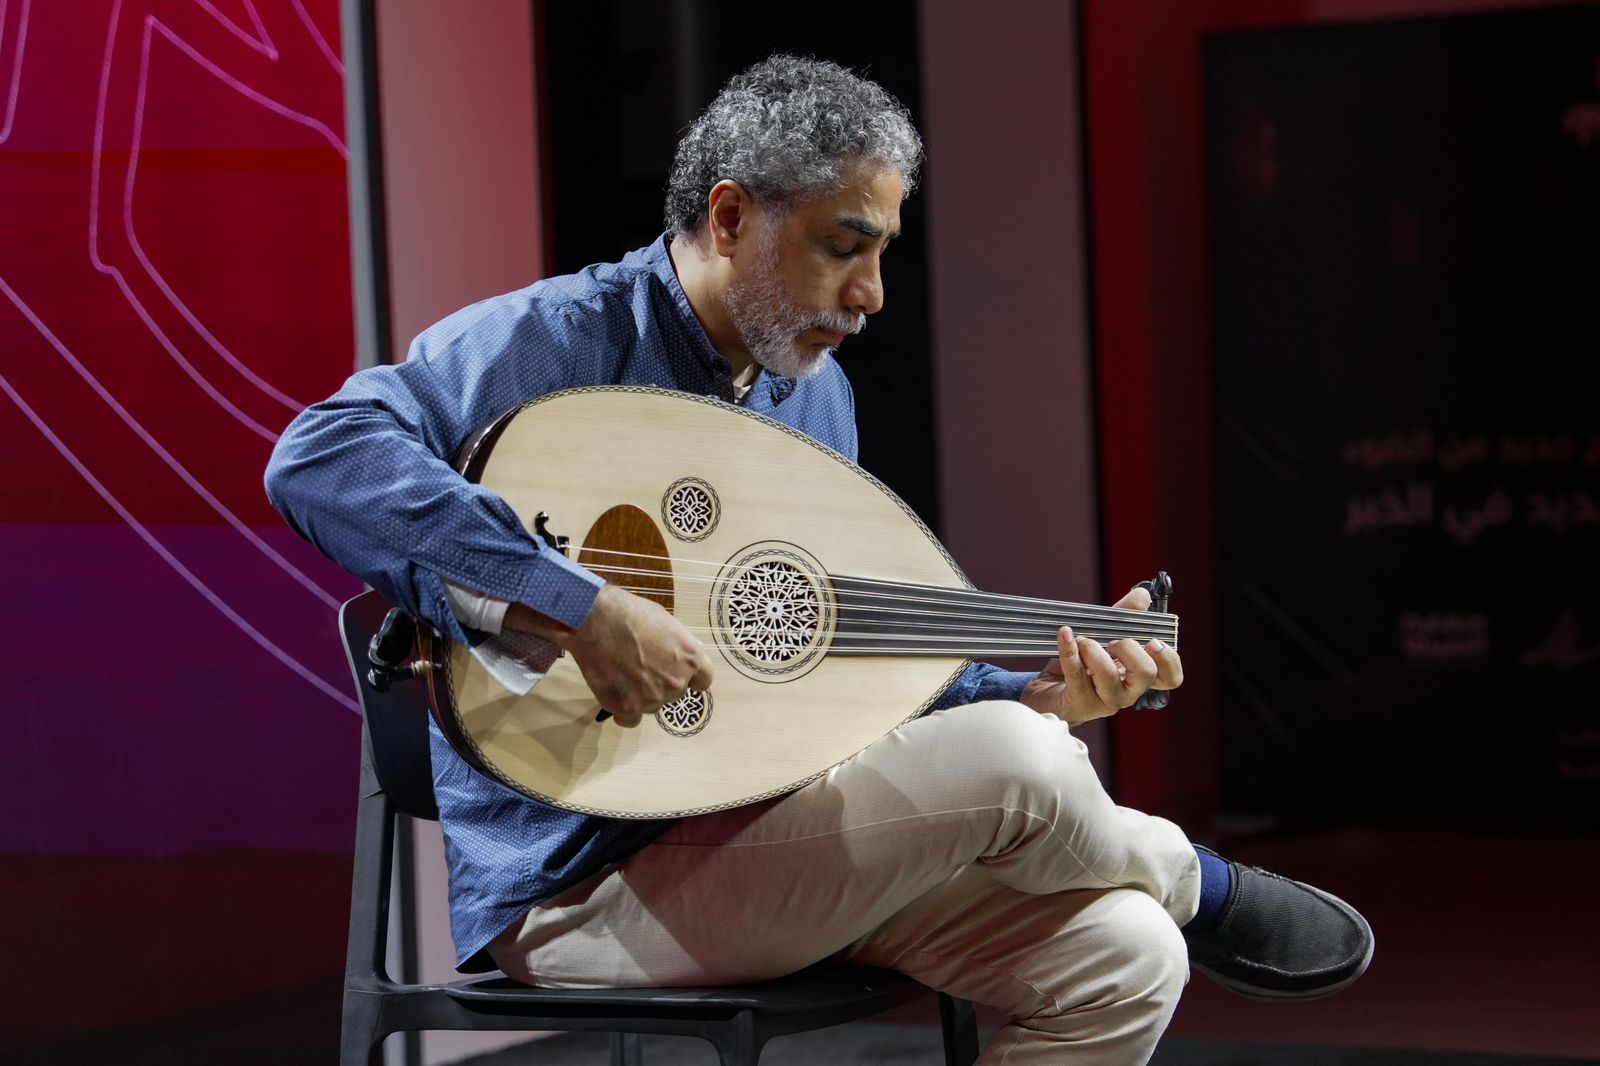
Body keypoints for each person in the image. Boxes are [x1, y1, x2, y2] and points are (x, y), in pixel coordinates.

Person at [266, 55, 1372, 1065]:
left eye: (882, 253)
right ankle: (1193, 878)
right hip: (584, 885)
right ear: (731, 217)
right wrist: (578, 606)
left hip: (774, 837)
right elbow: (320, 456)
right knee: (1025, 764)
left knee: (1126, 953)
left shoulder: (816, 395)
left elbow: (830, 671)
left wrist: (1033, 686)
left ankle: (1165, 898)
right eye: (844, 247)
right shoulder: (552, 342)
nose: (871, 294)